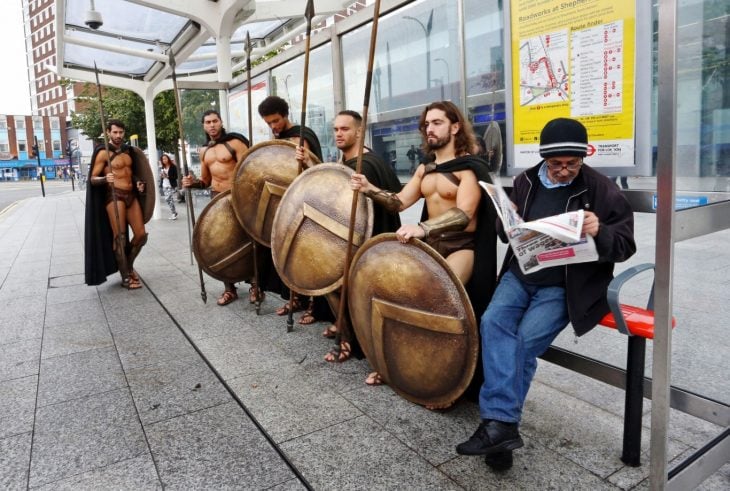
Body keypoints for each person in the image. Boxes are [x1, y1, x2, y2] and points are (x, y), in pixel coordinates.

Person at [455, 118, 636, 471]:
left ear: (583, 158)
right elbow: (503, 232)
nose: (565, 170)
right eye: (557, 164)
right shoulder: (524, 181)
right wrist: (508, 221)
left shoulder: (601, 189)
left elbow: (625, 244)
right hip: (521, 275)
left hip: (563, 287)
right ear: (544, 159)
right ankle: (502, 427)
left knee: (522, 345)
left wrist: (599, 231)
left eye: (573, 163)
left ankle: (498, 428)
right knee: (492, 323)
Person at [351, 101, 498, 391]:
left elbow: (464, 214)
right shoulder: (425, 169)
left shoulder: (469, 168)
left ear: (455, 127)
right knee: (400, 300)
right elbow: (399, 202)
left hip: (462, 248)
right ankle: (395, 365)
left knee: (439, 306)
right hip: (431, 248)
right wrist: (369, 189)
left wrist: (422, 227)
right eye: (427, 124)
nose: (429, 129)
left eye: (437, 123)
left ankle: (440, 379)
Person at [297, 109, 403, 362]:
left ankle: (348, 339)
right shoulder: (368, 160)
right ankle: (344, 328)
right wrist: (311, 161)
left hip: (364, 240)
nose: (338, 134)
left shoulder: (364, 165)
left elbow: (341, 203)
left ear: (359, 131)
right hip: (368, 238)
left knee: (335, 283)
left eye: (344, 129)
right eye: (335, 129)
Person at [258, 95, 328, 325]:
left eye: (276, 121)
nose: (273, 126)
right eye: (269, 123)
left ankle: (313, 306)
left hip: (307, 203)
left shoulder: (302, 137)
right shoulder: (279, 139)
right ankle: (294, 298)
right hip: (286, 203)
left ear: (285, 115)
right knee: (288, 254)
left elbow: (318, 169)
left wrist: (306, 158)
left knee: (306, 256)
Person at [181, 109, 250, 306]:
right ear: (203, 126)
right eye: (208, 122)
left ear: (221, 122)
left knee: (247, 239)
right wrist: (191, 183)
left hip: (238, 197)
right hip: (216, 198)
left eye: (215, 121)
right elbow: (205, 180)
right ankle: (229, 289)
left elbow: (249, 169)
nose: (212, 125)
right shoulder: (204, 151)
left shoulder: (236, 142)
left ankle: (255, 286)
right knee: (221, 242)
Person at [84, 119, 148, 290]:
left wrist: (138, 183)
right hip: (114, 196)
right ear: (108, 132)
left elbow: (132, 174)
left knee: (141, 235)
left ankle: (128, 265)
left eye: (121, 132)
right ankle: (126, 276)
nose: (118, 136)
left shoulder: (129, 151)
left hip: (130, 195)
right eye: (115, 132)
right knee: (119, 237)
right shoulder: (103, 152)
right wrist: (105, 178)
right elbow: (92, 178)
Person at [159, 154, 178, 220]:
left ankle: (174, 213)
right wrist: (162, 176)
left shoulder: (173, 167)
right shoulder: (162, 167)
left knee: (168, 198)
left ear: (168, 159)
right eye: (163, 159)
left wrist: (168, 176)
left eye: (165, 159)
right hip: (165, 185)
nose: (164, 160)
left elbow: (176, 177)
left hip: (171, 185)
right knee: (169, 200)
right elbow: (162, 177)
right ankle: (174, 213)